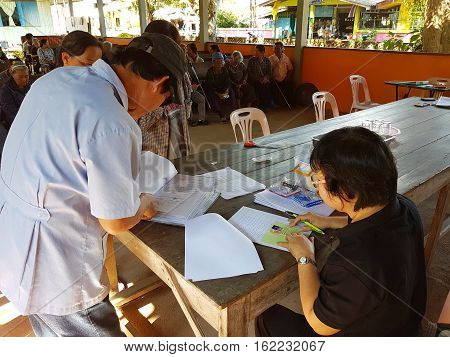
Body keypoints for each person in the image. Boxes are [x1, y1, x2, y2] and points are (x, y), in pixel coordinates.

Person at [0, 31, 186, 337]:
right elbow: (116, 221)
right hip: (57, 268)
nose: (149, 111)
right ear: (159, 83)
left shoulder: (58, 79)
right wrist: (144, 203)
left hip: (16, 242)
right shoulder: (111, 119)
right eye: (161, 102)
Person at [257, 127, 426, 337]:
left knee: (269, 316)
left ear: (346, 191)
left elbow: (320, 324)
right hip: (402, 324)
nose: (317, 188)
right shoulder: (404, 206)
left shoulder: (357, 260)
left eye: (319, 181)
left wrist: (305, 258)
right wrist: (329, 221)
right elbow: (374, 223)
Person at [138, 20, 192, 159]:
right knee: (157, 174)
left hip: (178, 135)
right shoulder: (142, 73)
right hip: (154, 143)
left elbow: (186, 110)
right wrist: (163, 107)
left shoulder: (179, 70)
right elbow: (139, 122)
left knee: (181, 170)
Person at [205, 52, 236, 123]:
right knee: (212, 95)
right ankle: (221, 115)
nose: (219, 63)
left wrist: (226, 92)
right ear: (213, 62)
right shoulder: (210, 72)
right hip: (214, 90)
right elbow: (209, 85)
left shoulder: (225, 70)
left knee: (231, 91)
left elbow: (228, 82)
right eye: (217, 61)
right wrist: (219, 94)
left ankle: (233, 113)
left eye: (221, 61)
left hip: (223, 89)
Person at [0, 63, 30, 130]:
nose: (24, 79)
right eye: (20, 77)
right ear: (12, 76)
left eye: (26, 76)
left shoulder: (30, 87)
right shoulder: (6, 91)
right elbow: (11, 113)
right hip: (16, 124)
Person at [247, 44, 274, 109]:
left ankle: (266, 105)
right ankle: (260, 105)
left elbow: (269, 73)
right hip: (254, 80)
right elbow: (249, 73)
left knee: (266, 85)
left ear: (262, 52)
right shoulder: (251, 60)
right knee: (259, 85)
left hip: (264, 80)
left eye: (256, 51)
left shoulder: (267, 61)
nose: (254, 52)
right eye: (255, 51)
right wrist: (259, 79)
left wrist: (265, 78)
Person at [269, 42, 293, 107]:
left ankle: (288, 104)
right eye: (275, 48)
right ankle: (275, 103)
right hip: (274, 79)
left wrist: (288, 77)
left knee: (289, 86)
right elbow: (268, 70)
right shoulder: (270, 58)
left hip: (284, 78)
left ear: (282, 49)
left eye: (278, 48)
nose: (276, 50)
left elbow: (290, 69)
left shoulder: (286, 58)